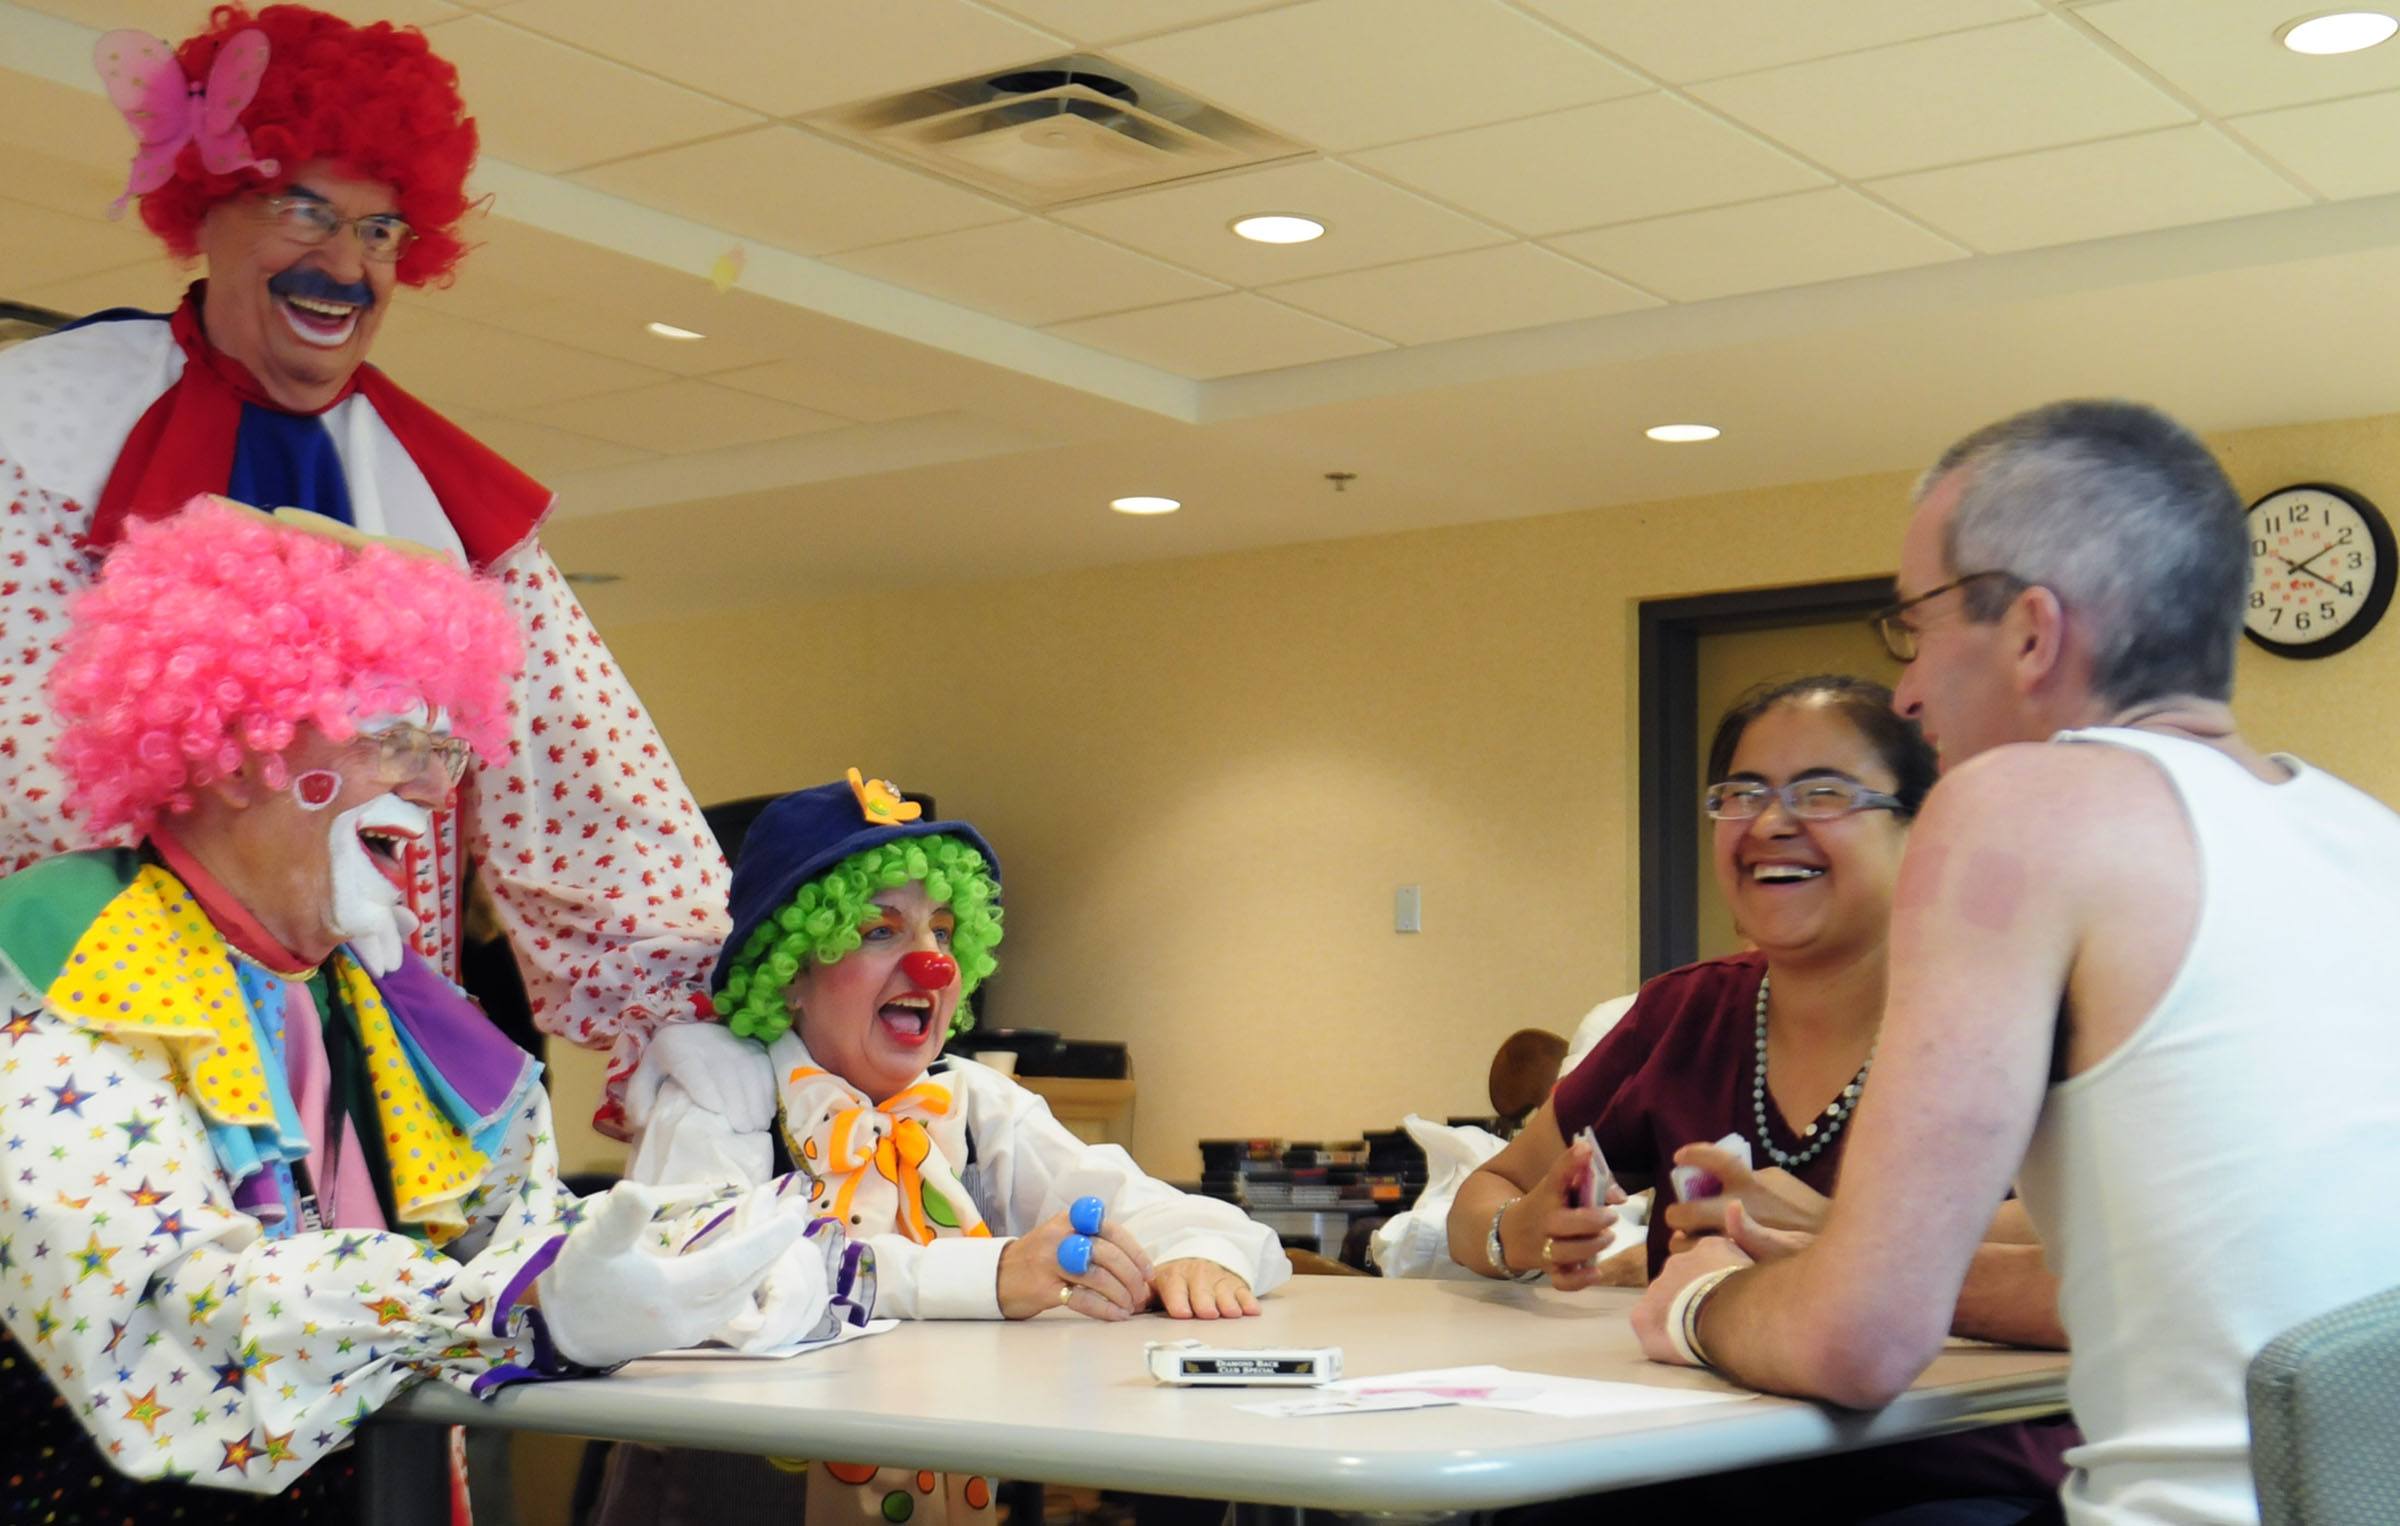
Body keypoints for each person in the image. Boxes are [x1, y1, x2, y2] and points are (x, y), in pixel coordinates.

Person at [0, 501, 865, 1522]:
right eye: (392, 738)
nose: (430, 784)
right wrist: (511, 1303)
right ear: (238, 749)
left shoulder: (391, 1000)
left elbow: (522, 1238)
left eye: (444, 749)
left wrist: (735, 1249)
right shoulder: (60, 964)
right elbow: (168, 1302)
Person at [1634, 400, 2400, 1525]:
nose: (1904, 689)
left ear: (2034, 633)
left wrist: (1703, 1300)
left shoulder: (2018, 805)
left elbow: (1861, 1337)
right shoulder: (2365, 835)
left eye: (1917, 625)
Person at [0, 3, 740, 1140]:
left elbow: (587, 781)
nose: (345, 265)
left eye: (382, 229)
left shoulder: (447, 502)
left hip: (358, 1066)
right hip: (86, 1051)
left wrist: (671, 1015)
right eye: (305, 209)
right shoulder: (39, 434)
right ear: (209, 207)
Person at [1453, 675, 2073, 1523]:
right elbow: (1483, 1194)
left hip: (1946, 1470)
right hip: (1686, 1459)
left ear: (1921, 826)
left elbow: (2092, 1246)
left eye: (1823, 793)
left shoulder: (2002, 1007)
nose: (1771, 823)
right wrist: (1515, 1232)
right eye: (1741, 795)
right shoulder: (1682, 1013)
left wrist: (1839, 1237)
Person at [601, 774, 1293, 1523]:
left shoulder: (974, 1102)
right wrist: (989, 1274)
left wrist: (1197, 1256)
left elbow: (1197, 1222)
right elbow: (714, 1276)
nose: (931, 962)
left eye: (942, 930)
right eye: (879, 930)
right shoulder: (717, 1087)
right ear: (790, 971)